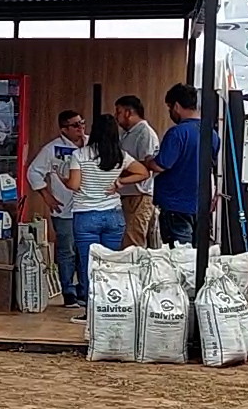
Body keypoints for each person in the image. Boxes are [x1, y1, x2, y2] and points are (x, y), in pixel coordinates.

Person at [66, 114, 150, 319]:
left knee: (89, 264)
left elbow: (74, 185)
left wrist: (62, 179)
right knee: (110, 263)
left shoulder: (80, 154)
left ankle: (91, 311)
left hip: (86, 216)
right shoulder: (120, 155)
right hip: (114, 215)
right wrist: (120, 183)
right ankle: (109, 306)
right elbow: (144, 172)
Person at [26, 110, 85, 306]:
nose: (80, 128)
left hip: (88, 207)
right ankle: (68, 291)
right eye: (75, 125)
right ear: (64, 129)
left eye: (82, 123)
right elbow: (33, 172)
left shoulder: (91, 144)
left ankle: (84, 290)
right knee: (66, 250)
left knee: (84, 250)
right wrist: (46, 196)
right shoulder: (52, 149)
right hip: (64, 207)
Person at [146, 84, 202, 246]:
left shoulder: (177, 133)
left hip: (175, 204)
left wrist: (148, 160)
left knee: (178, 255)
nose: (170, 112)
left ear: (176, 106)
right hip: (198, 203)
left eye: (170, 108)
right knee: (194, 255)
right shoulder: (210, 133)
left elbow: (161, 165)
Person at [113, 95, 160, 248]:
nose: (116, 116)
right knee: (123, 238)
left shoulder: (145, 133)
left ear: (128, 113)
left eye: (118, 112)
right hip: (124, 193)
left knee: (133, 240)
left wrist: (120, 172)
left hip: (139, 193)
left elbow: (146, 165)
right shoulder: (124, 134)